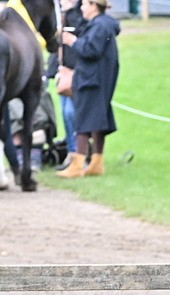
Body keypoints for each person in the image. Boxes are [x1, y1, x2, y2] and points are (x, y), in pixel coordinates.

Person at [57, 0, 119, 179]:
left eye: (84, 4)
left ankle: (77, 164)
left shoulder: (100, 27)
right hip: (100, 79)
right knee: (98, 121)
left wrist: (73, 42)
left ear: (93, 6)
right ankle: (96, 162)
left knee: (83, 121)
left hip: (91, 80)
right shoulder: (103, 25)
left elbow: (92, 49)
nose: (81, 8)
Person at [53, 0, 85, 171]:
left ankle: (79, 153)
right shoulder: (60, 11)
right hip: (64, 72)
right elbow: (58, 47)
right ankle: (72, 152)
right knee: (66, 114)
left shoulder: (80, 13)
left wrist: (70, 12)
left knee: (72, 112)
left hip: (78, 72)